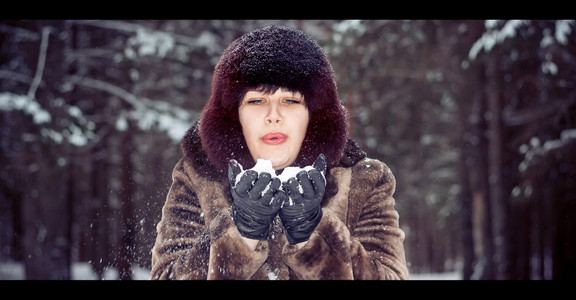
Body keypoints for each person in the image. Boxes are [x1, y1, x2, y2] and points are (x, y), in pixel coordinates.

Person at [149, 24, 409, 280]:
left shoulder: (364, 180)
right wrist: (241, 232)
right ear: (233, 116)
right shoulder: (199, 178)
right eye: (256, 101)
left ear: (314, 115)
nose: (273, 116)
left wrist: (313, 231)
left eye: (291, 100)